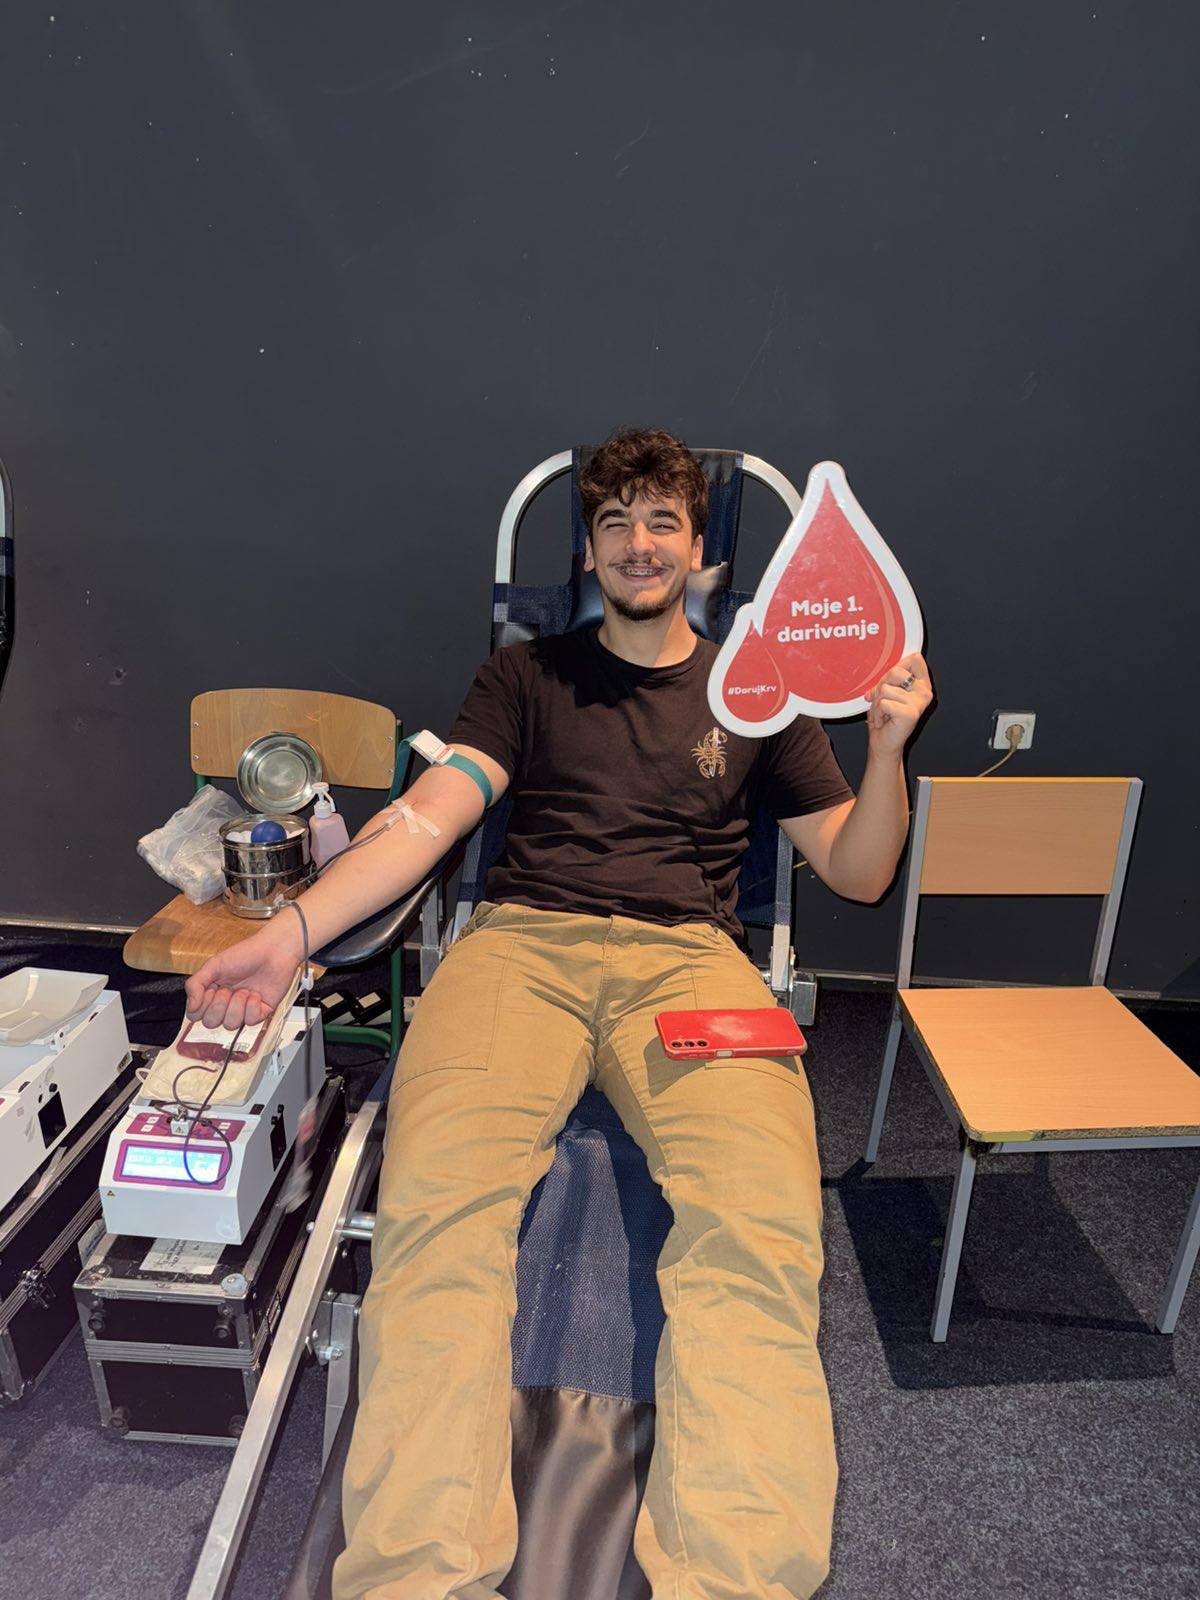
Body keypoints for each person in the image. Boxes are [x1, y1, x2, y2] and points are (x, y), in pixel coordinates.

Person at [186, 426, 933, 1600]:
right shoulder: (524, 678)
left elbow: (859, 867)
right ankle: (416, 1577)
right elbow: (429, 821)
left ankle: (731, 1581)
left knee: (757, 1238)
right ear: (588, 552)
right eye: (615, 523)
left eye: (663, 522)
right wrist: (290, 930)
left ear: (702, 554)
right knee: (437, 1226)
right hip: (520, 948)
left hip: (691, 963)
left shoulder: (757, 692)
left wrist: (886, 750)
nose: (639, 544)